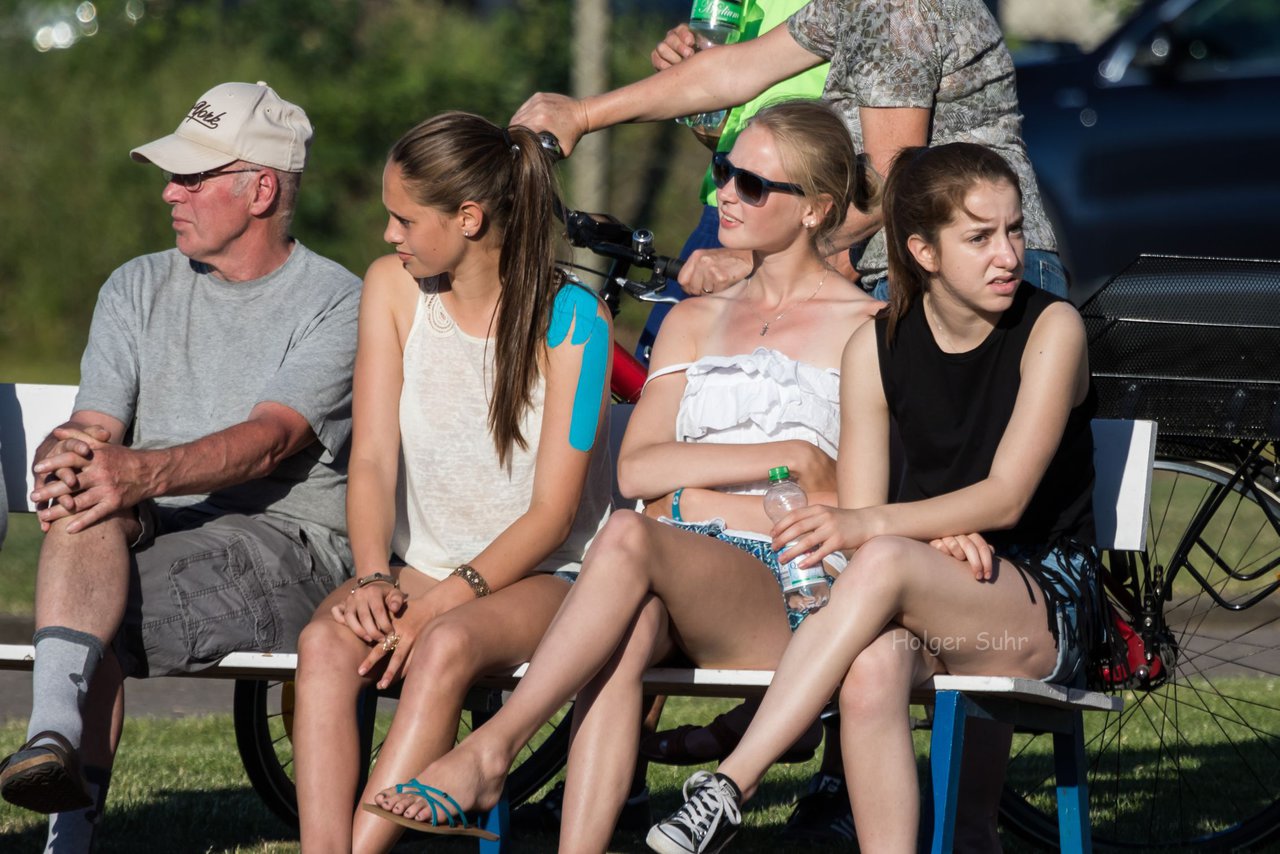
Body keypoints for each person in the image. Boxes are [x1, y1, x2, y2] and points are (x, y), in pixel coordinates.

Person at [364, 99, 882, 852]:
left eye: (752, 185)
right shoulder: (695, 319)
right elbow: (639, 467)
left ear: (818, 211)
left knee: (632, 542)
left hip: (793, 591)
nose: (725, 195)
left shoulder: (862, 328)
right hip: (680, 568)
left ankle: (493, 748)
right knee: (628, 621)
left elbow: (851, 508)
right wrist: (788, 462)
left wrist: (696, 494)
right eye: (722, 172)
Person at [649, 141, 1100, 854]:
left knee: (883, 560)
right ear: (922, 250)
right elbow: (861, 534)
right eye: (979, 237)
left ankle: (732, 780)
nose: (1009, 255)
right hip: (921, 589)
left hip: (1038, 608)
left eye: (1014, 230)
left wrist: (889, 535)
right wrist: (915, 542)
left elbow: (1005, 500)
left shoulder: (1053, 329)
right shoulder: (876, 347)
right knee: (872, 665)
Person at [0, 82, 361, 851]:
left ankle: (66, 829)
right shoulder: (136, 283)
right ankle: (54, 745)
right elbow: (96, 427)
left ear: (260, 189)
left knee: (98, 614)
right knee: (82, 502)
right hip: (160, 520)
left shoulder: (339, 302)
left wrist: (136, 474)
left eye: (192, 177)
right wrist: (64, 456)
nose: (169, 191)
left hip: (286, 538)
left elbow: (270, 439)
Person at [289, 110, 614, 853]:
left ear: (468, 218)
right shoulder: (392, 290)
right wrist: (372, 577)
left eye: (403, 218)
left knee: (443, 647)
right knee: (327, 644)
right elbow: (370, 457)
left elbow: (553, 517)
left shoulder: (577, 322)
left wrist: (439, 605)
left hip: (546, 576)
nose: (387, 235)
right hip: (418, 563)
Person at [513, 0, 1068, 301]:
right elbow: (733, 71)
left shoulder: (900, 9)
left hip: (971, 275)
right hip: (907, 267)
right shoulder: (850, 6)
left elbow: (892, 179)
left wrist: (753, 259)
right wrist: (582, 115)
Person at [634, 0, 830, 364]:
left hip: (802, 227)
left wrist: (585, 115)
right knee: (651, 378)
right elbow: (718, 130)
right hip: (720, 208)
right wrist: (690, 73)